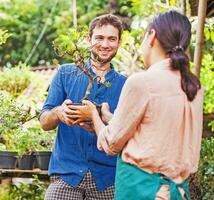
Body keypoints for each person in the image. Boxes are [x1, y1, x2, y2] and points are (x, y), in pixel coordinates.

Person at [78, 10, 203, 199]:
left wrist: (93, 116)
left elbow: (110, 144)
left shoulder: (142, 82)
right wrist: (110, 118)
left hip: (144, 191)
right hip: (178, 192)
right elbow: (154, 131)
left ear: (151, 36)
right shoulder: (193, 85)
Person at [39, 14, 126, 200]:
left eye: (112, 39)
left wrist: (98, 117)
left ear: (119, 42)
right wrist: (58, 113)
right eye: (99, 38)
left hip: (107, 178)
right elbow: (44, 122)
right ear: (89, 40)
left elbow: (124, 133)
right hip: (67, 174)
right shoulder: (65, 73)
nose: (105, 44)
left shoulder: (126, 85)